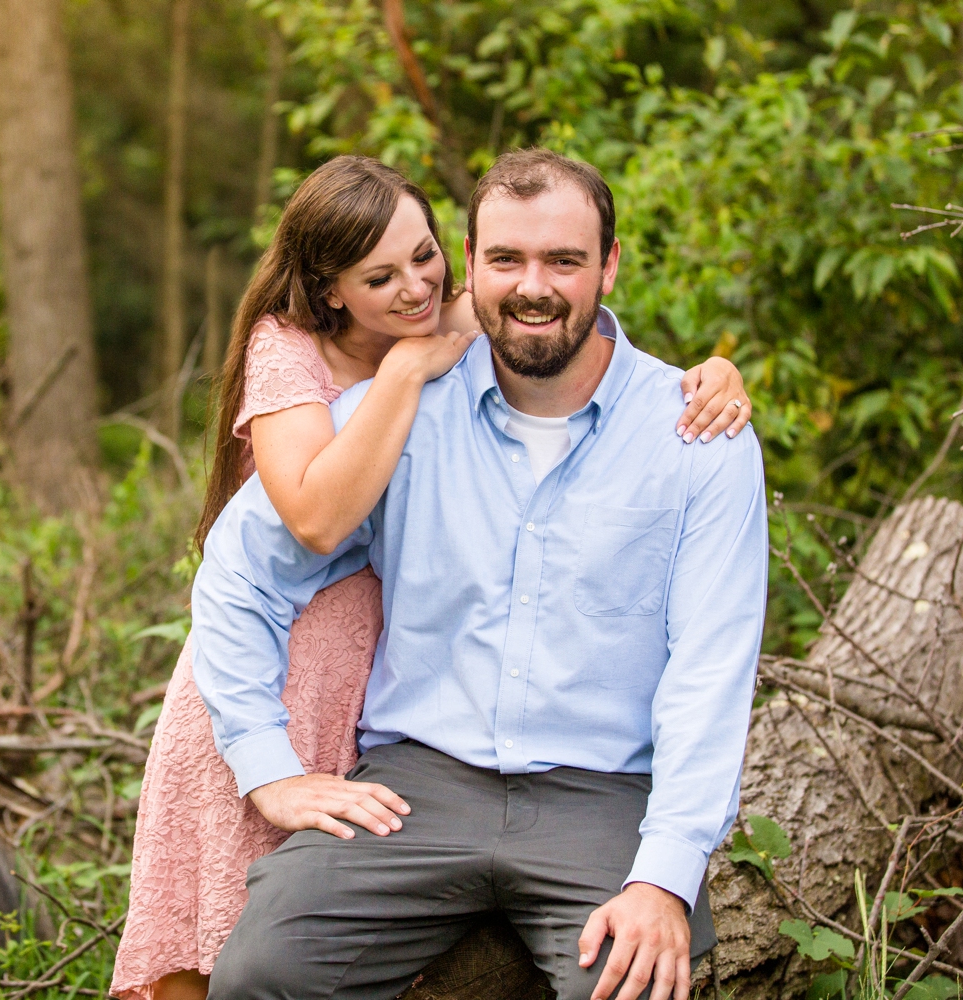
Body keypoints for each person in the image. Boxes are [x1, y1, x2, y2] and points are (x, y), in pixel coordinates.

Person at [110, 155, 755, 1000]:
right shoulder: (402, 411)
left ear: (611, 264)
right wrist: (267, 767)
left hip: (601, 797)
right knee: (263, 969)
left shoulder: (695, 439)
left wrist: (664, 877)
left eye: (563, 260)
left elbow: (710, 670)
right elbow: (242, 572)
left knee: (629, 988)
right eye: (507, 260)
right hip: (417, 787)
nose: (534, 287)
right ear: (473, 264)